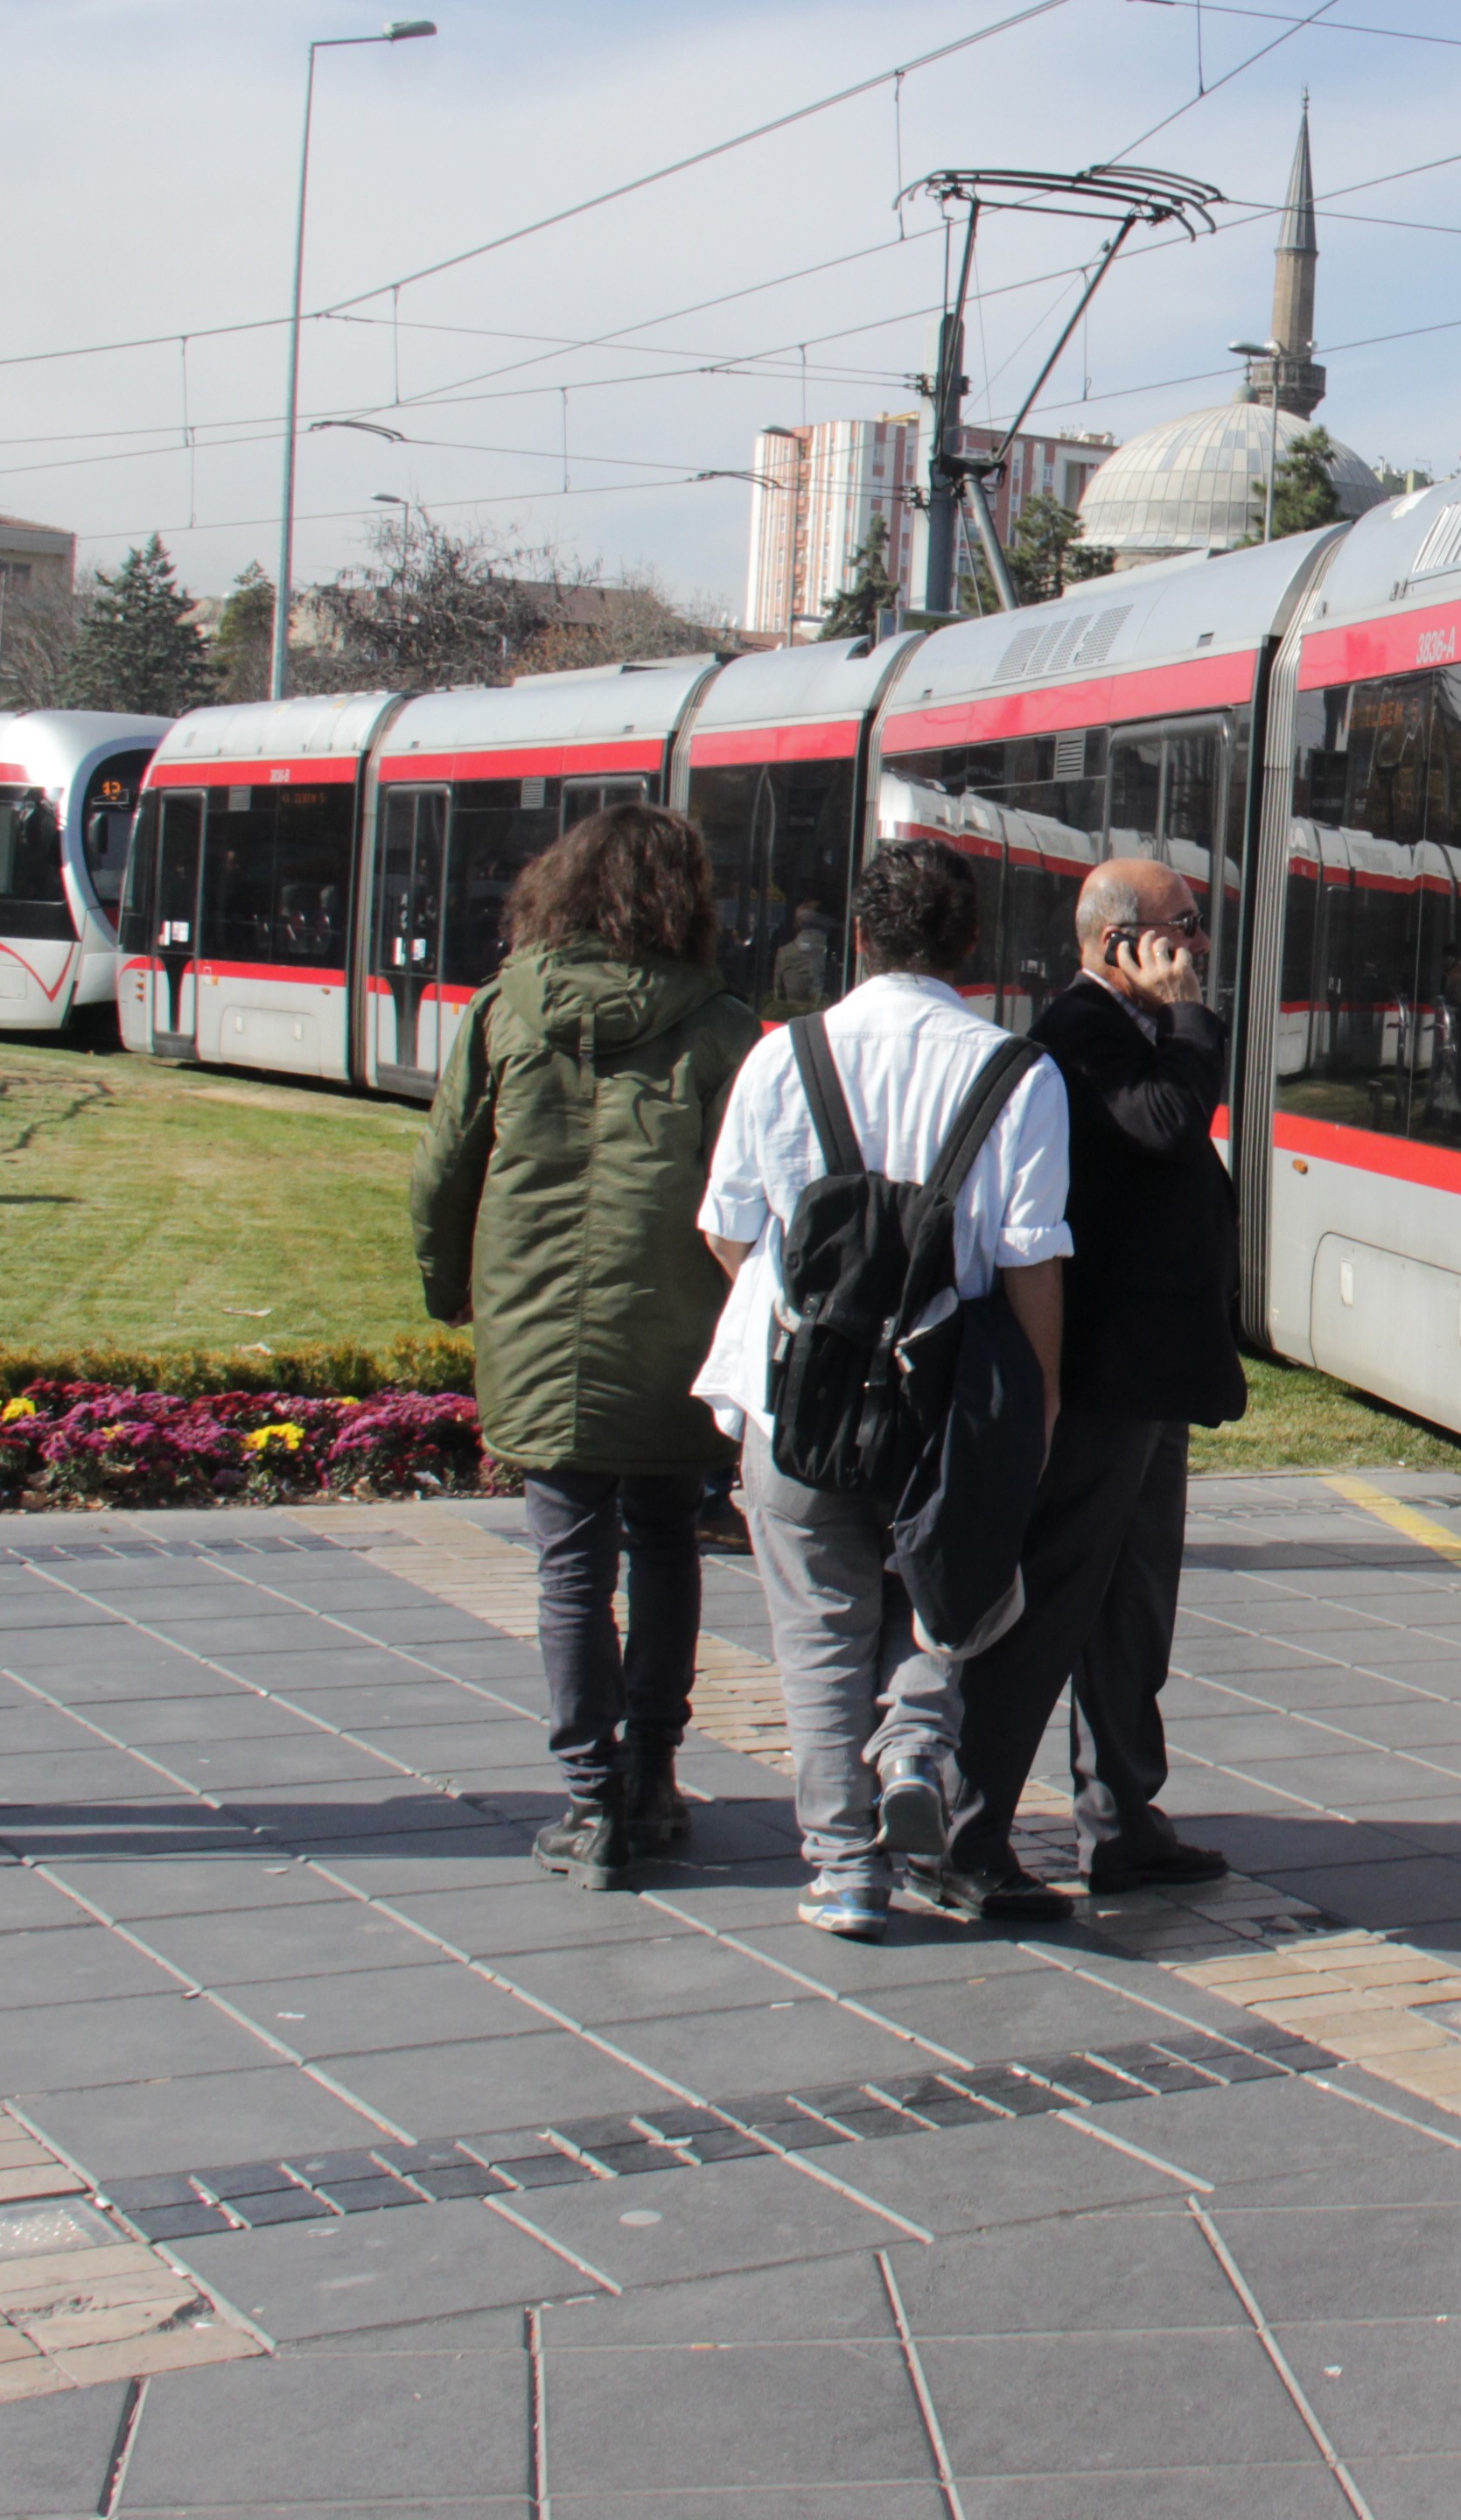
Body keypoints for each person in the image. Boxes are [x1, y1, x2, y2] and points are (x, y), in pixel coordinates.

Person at [695, 838, 1071, 1939]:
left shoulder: (782, 1056)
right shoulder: (1015, 1070)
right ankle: (915, 1738)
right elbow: (1029, 1255)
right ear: (970, 945)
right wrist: (1038, 1398)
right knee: (939, 1584)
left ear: (856, 938)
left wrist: (806, 1318)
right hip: (946, 1397)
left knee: (817, 1626)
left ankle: (842, 1868)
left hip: (794, 1400)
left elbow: (727, 1228)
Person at [411, 804, 760, 1895]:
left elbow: (443, 1172)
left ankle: (588, 1798)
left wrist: (448, 1288)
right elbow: (743, 1194)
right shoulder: (719, 1029)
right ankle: (653, 1773)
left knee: (569, 1562)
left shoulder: (503, 1013)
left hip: (534, 1316)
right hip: (672, 1327)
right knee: (664, 1543)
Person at [907, 857, 1256, 1908]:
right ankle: (969, 1832)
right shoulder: (1079, 1032)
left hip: (1152, 1376)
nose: (1197, 946)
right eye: (1181, 928)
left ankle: (1123, 1818)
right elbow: (1162, 1124)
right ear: (1117, 943)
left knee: (1133, 1610)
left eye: (1196, 928)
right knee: (1057, 1604)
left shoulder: (1135, 1028)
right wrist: (1189, 1021)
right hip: (1102, 1375)